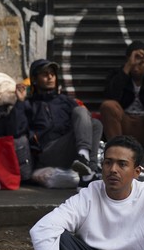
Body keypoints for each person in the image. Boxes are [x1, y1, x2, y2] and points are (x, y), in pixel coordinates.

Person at [13, 58, 103, 188]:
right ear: (34, 79)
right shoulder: (29, 104)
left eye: (52, 74)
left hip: (69, 152)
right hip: (47, 153)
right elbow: (16, 130)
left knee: (94, 123)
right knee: (85, 116)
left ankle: (88, 168)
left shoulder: (65, 101)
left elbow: (85, 121)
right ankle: (87, 168)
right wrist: (20, 102)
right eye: (45, 74)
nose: (50, 77)